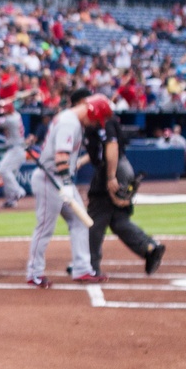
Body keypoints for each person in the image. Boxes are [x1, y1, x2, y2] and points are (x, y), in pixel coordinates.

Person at [26, 93, 112, 289]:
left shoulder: (70, 119)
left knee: (80, 221)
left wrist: (66, 183)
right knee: (45, 228)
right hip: (51, 179)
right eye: (95, 119)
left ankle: (82, 269)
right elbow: (61, 155)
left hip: (60, 179)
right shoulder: (69, 122)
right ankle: (34, 273)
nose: (93, 124)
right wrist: (66, 183)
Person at [84, 108, 165, 279]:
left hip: (113, 170)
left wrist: (111, 178)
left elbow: (111, 149)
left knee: (95, 220)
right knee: (118, 220)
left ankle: (89, 266)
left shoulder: (103, 125)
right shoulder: (109, 122)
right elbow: (102, 150)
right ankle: (149, 247)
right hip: (121, 167)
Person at [0, 95, 27, 208]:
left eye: (5, 110)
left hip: (16, 149)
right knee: (8, 173)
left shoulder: (11, 120)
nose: (3, 112)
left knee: (4, 170)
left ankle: (18, 191)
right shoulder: (16, 115)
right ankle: (11, 200)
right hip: (16, 148)